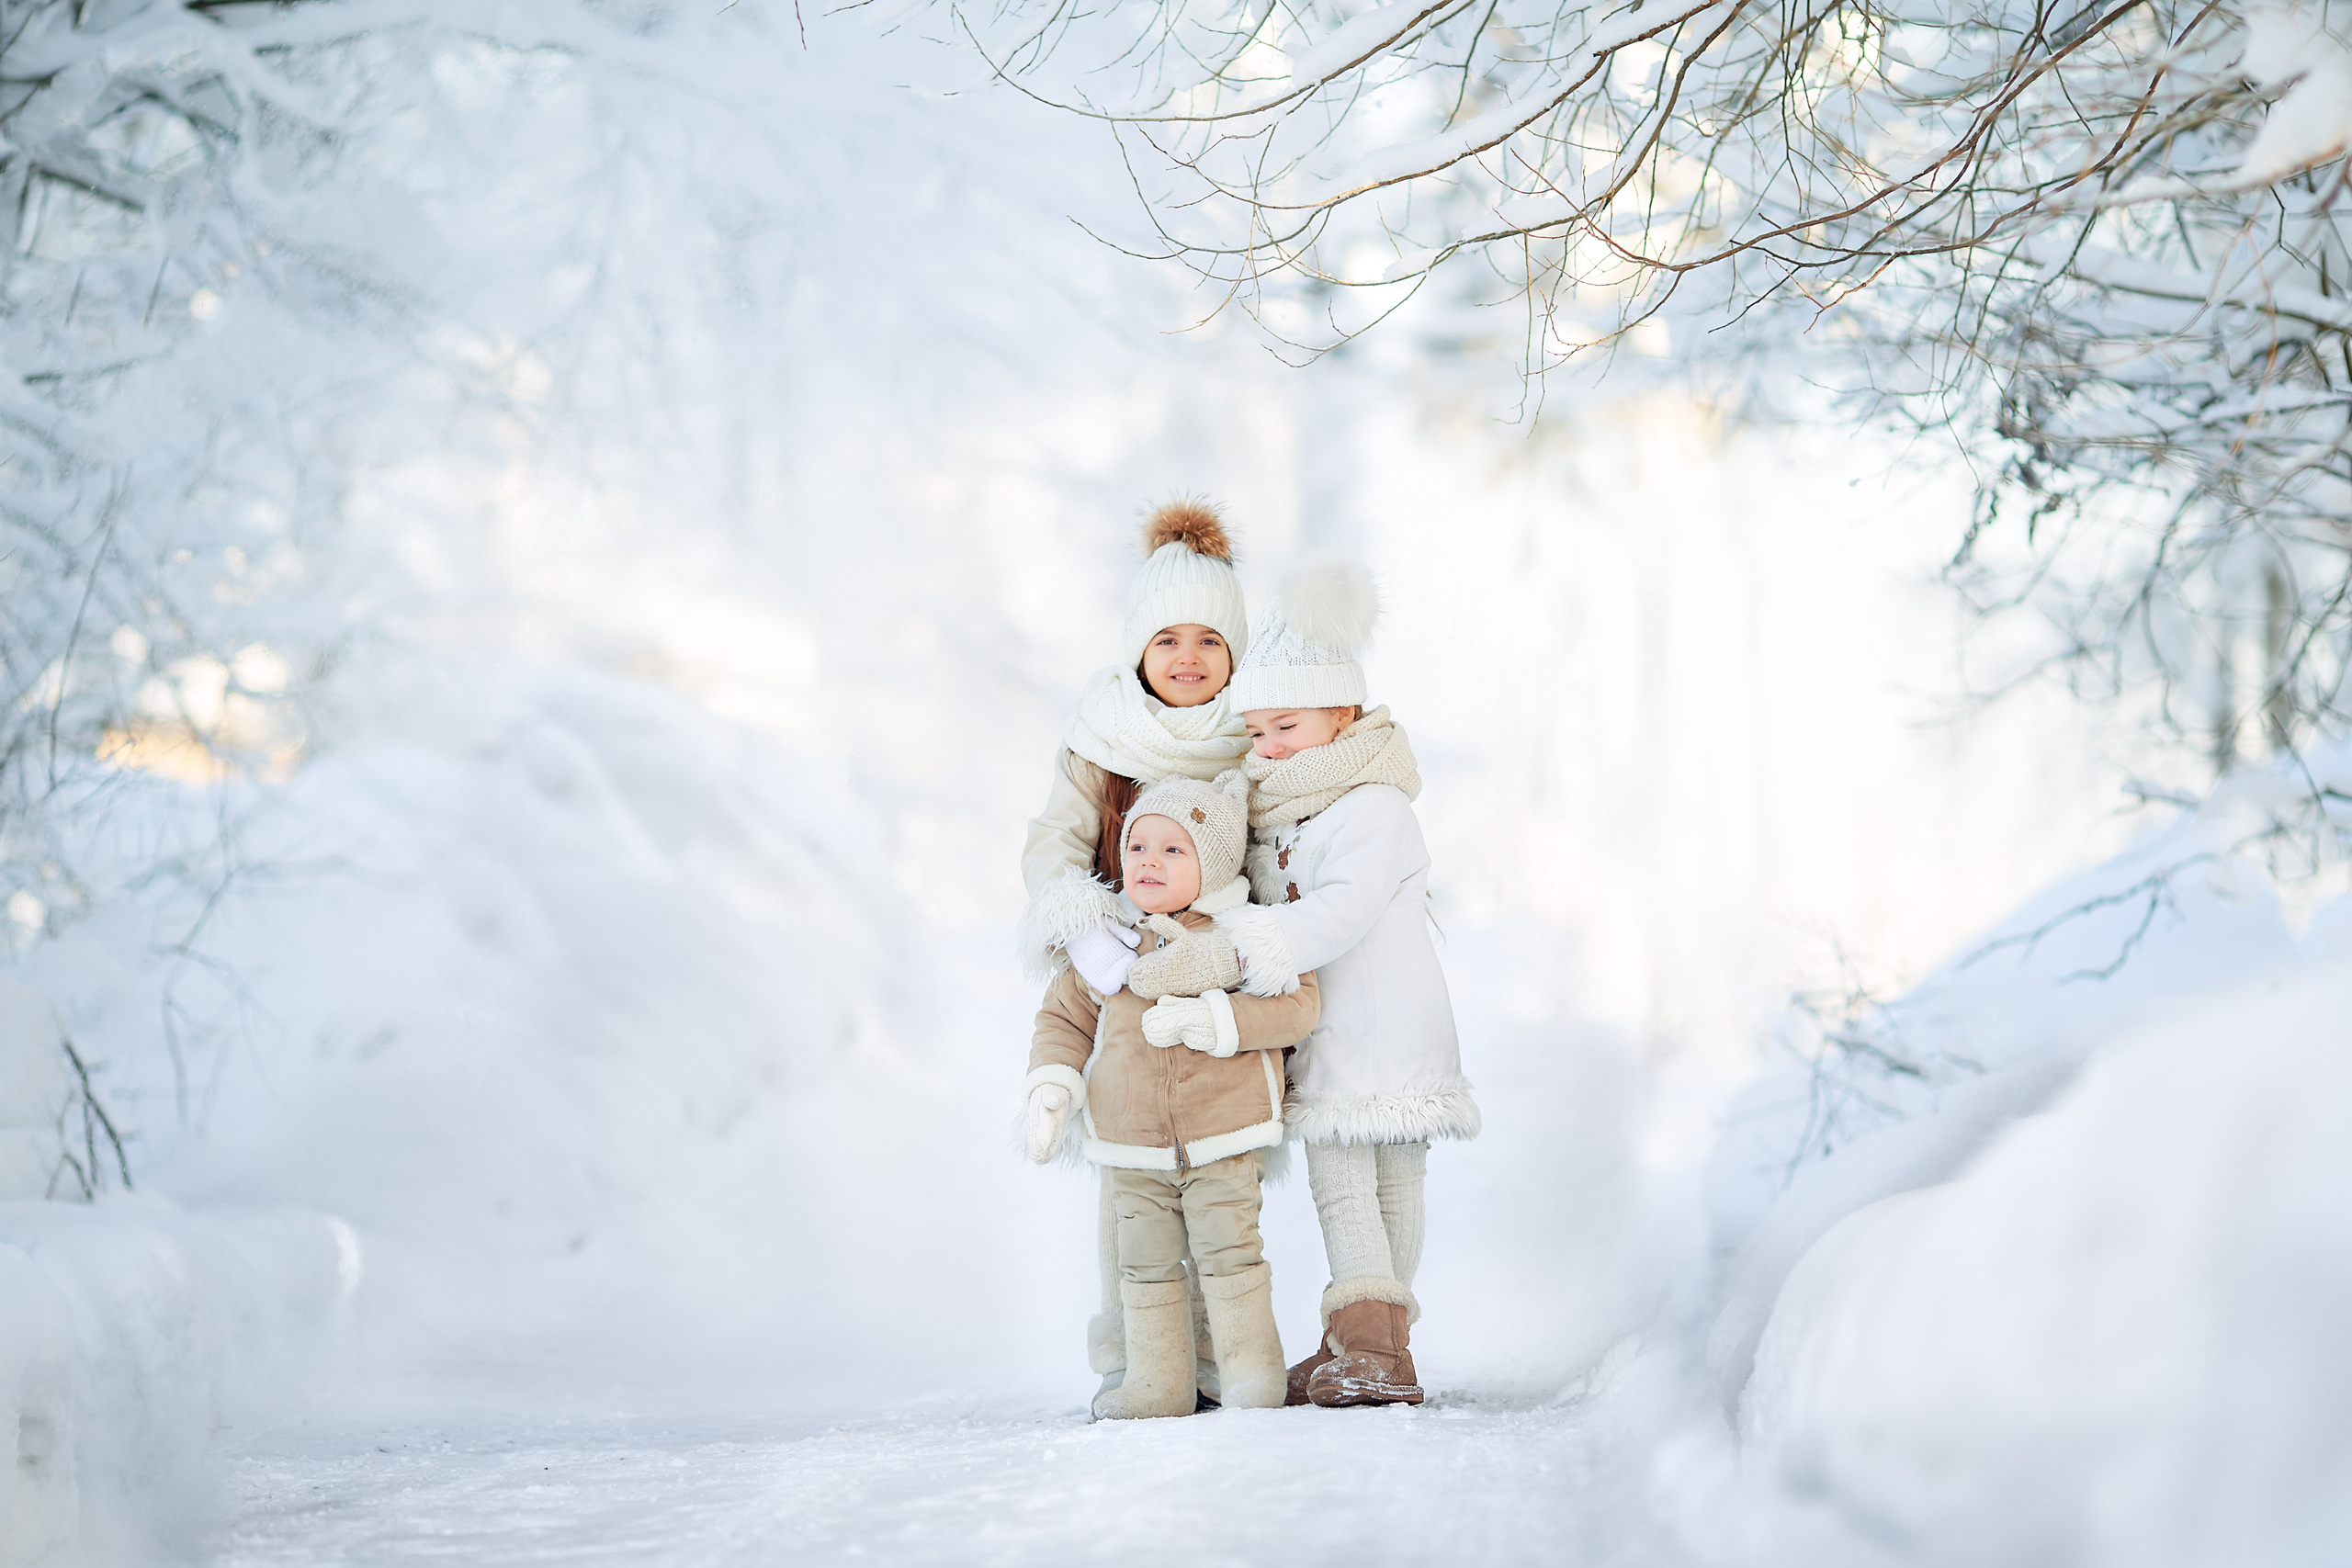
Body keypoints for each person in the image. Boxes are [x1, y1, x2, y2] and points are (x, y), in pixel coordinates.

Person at [1128, 557, 1478, 1408]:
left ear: (1342, 714)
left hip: (1383, 1026)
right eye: (1257, 732)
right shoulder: (1294, 806)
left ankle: (1376, 1346)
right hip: (1336, 1028)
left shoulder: (1373, 806)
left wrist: (1241, 949)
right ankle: (1362, 1341)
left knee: (1375, 1180)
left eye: (1286, 725)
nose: (1269, 747)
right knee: (1354, 1178)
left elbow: (1339, 911)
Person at [1016, 500, 1253, 1400]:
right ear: (1138, 649)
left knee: (1222, 1174)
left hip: (1218, 975)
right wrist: (1083, 926)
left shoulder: (1252, 734)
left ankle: (1217, 1353)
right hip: (1121, 974)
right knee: (1131, 1178)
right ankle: (1131, 1351)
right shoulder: (1102, 734)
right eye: (1167, 640)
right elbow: (1054, 839)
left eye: (1209, 640)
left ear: (1234, 652)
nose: (1188, 657)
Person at [1021, 772, 1317, 1418]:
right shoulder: (1108, 943)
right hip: (1130, 1141)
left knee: (1230, 1252)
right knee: (1144, 1263)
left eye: (1172, 849)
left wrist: (1219, 1021)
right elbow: (1063, 1019)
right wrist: (1052, 1084)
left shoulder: (1243, 936)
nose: (1148, 861)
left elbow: (1297, 1007)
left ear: (1214, 862)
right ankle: (1158, 1383)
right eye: (1137, 847)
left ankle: (1251, 1373)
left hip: (1223, 1133)